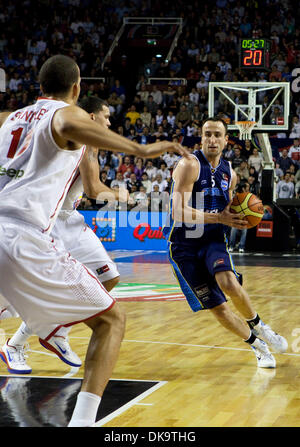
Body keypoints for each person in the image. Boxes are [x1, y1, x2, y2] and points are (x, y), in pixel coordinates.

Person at [0, 54, 189, 427]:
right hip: (22, 235)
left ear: (39, 85)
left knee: (104, 286)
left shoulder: (10, 119)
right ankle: (83, 421)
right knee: (111, 320)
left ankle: (46, 329)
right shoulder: (66, 115)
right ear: (76, 88)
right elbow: (73, 125)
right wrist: (149, 149)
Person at [0, 96, 129, 374]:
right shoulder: (79, 138)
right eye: (105, 116)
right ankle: (17, 344)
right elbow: (95, 191)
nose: (109, 121)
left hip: (70, 219)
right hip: (47, 221)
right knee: (14, 297)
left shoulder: (87, 141)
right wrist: (124, 194)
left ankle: (48, 332)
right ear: (91, 118)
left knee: (109, 277)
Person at [163, 116, 287, 370]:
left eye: (217, 135)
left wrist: (243, 214)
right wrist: (219, 217)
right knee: (218, 308)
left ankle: (259, 325)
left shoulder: (229, 172)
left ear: (226, 140)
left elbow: (228, 205)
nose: (212, 139)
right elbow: (177, 212)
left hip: (212, 239)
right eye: (207, 134)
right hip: (184, 245)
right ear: (201, 137)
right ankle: (256, 344)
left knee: (227, 280)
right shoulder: (189, 164)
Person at [228, 182, 250, 253]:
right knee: (233, 231)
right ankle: (231, 246)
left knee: (244, 231)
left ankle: (241, 246)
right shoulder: (237, 195)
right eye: (246, 187)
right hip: (236, 216)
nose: (248, 188)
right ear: (243, 188)